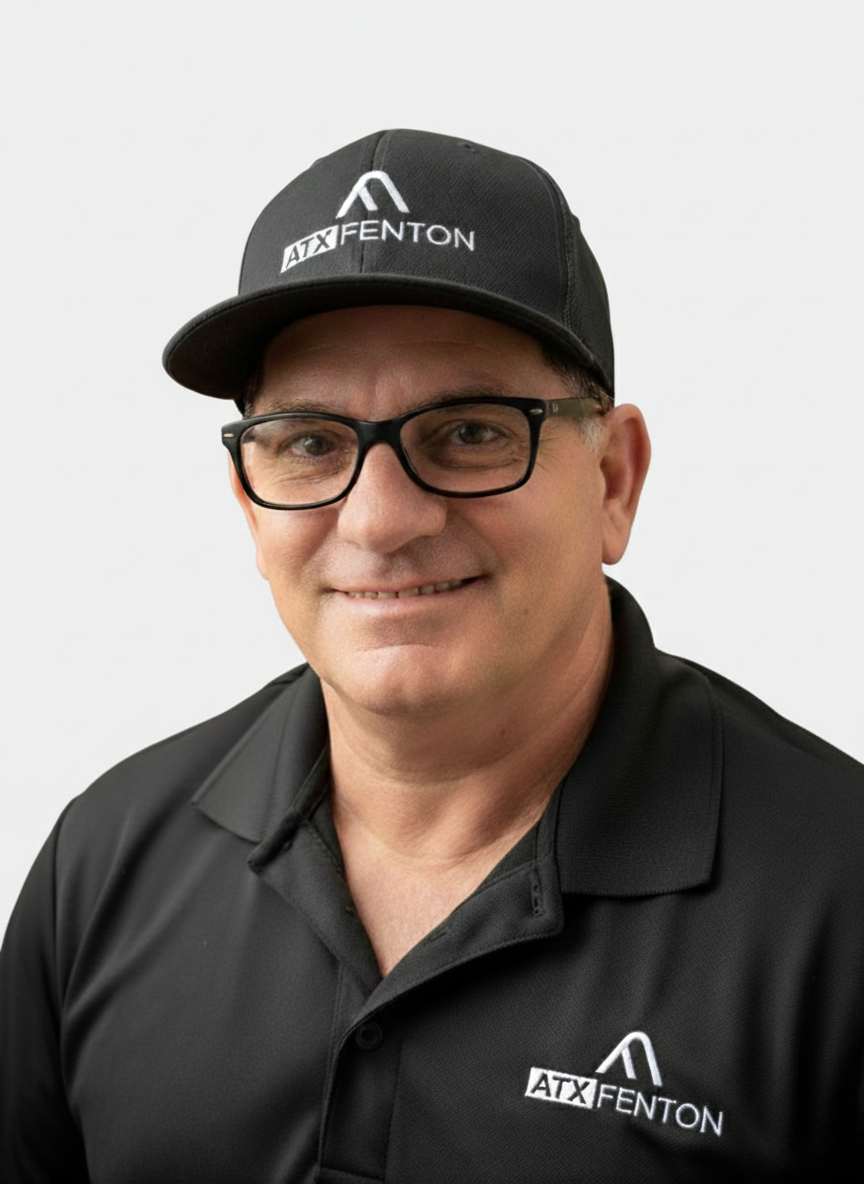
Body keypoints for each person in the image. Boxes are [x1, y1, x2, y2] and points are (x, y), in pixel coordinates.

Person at [1, 129, 861, 1183]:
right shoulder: (105, 862)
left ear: (615, 479)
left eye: (469, 431)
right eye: (310, 441)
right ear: (247, 497)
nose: (381, 518)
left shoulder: (838, 903)